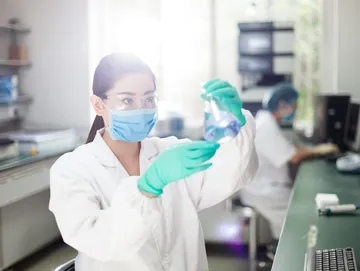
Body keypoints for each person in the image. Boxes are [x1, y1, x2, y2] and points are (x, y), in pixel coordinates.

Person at [49, 53, 258, 271]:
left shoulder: (171, 152)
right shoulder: (72, 169)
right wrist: (147, 187)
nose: (141, 108)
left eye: (148, 98)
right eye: (127, 100)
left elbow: (231, 175)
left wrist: (236, 125)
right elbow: (98, 241)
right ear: (98, 104)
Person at [238, 82, 338, 260]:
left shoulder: (267, 121)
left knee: (303, 211)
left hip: (266, 186)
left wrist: (309, 150)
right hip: (265, 190)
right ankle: (283, 257)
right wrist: (318, 150)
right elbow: (292, 156)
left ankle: (281, 251)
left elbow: (288, 148)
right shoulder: (265, 127)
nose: (295, 110)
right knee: (303, 219)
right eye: (293, 105)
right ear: (282, 104)